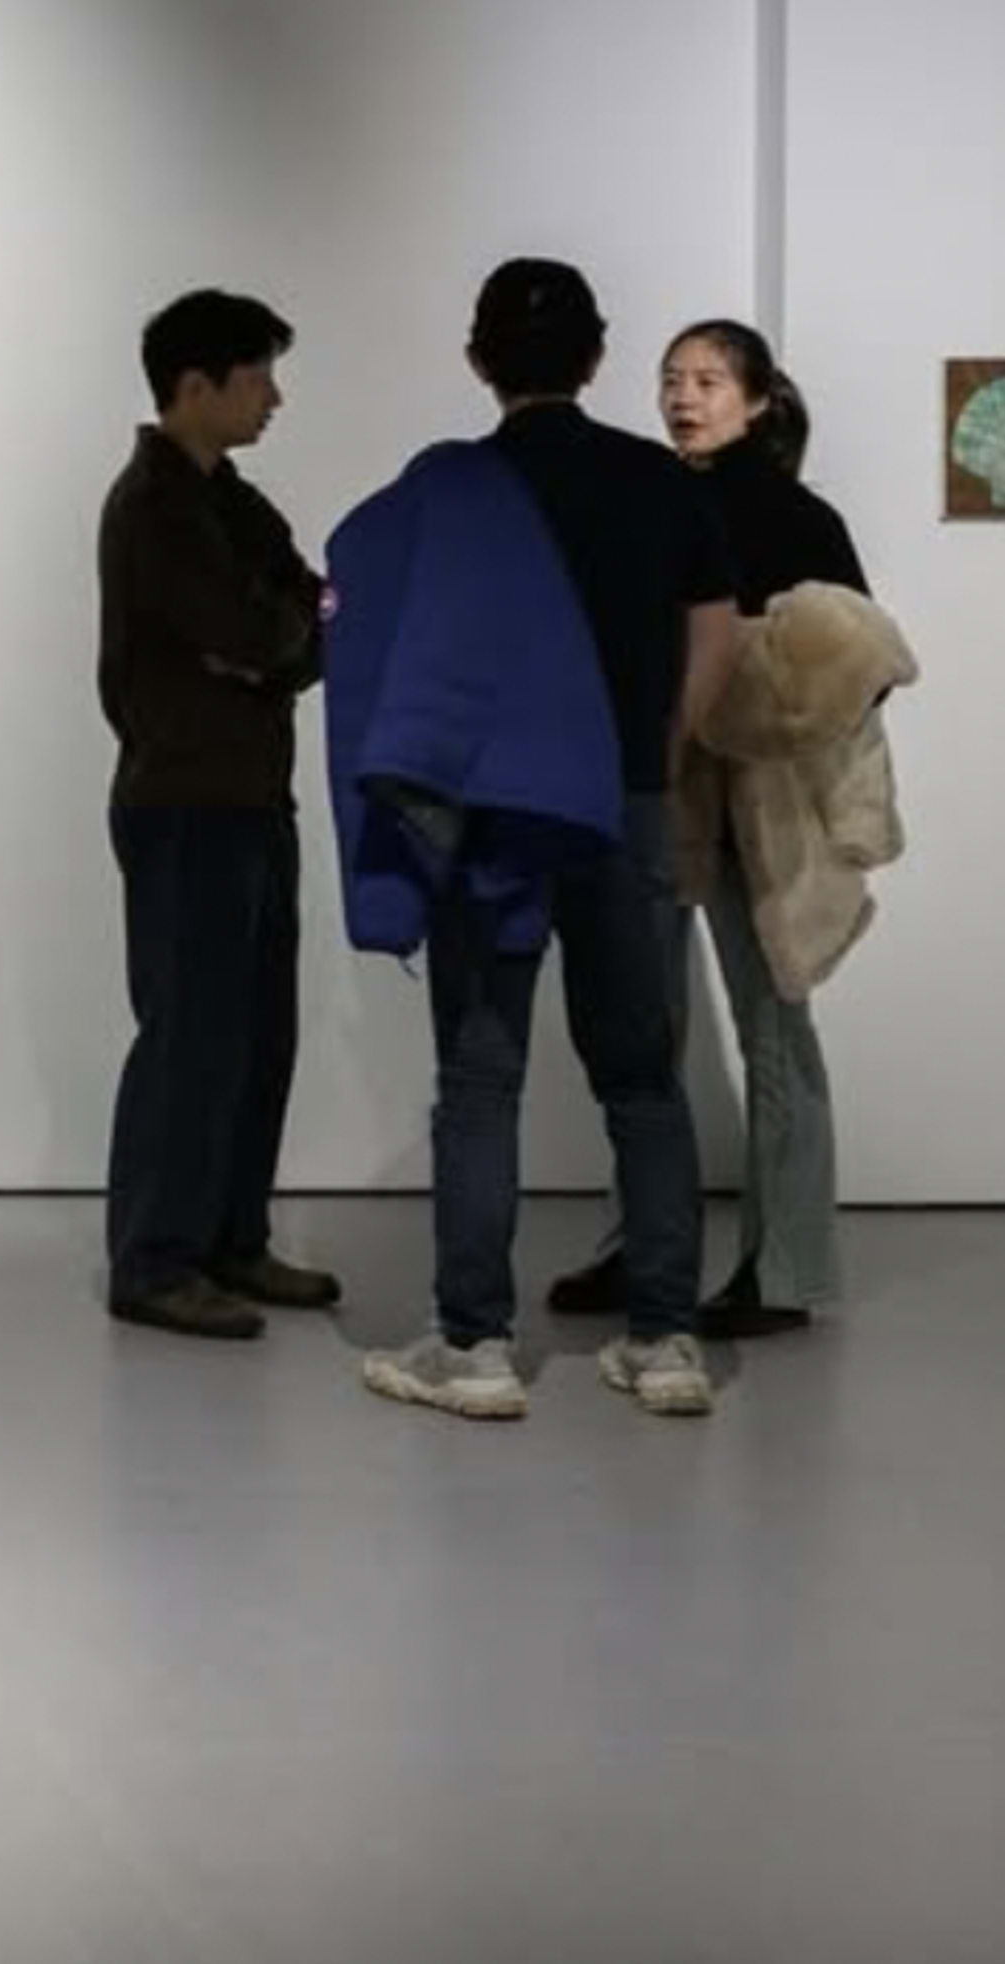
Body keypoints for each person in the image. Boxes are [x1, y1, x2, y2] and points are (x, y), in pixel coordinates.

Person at [356, 259, 735, 1424]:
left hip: (493, 819)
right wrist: (659, 769)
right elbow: (714, 641)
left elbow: (397, 642)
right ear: (597, 356)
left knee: (480, 1082)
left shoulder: (454, 490)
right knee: (642, 1077)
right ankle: (667, 1339)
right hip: (622, 802)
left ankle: (473, 1346)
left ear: (479, 360)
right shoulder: (659, 484)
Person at [95, 291, 337, 1342]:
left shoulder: (234, 501)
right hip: (184, 800)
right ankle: (155, 1258)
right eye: (258, 377)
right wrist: (277, 634)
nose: (275, 396)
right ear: (196, 386)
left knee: (256, 1033)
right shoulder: (153, 507)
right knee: (190, 1033)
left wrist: (278, 636)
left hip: (249, 797)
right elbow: (263, 626)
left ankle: (231, 1236)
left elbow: (311, 617)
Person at [641, 320, 870, 1338]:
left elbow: (858, 664)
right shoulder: (662, 498)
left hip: (754, 810)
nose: (684, 396)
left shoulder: (789, 514)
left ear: (758, 398)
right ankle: (641, 1248)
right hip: (663, 793)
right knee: (641, 1031)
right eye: (672, 378)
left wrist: (747, 708)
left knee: (772, 1031)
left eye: (706, 380)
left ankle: (783, 1271)